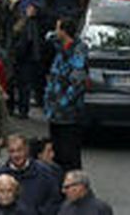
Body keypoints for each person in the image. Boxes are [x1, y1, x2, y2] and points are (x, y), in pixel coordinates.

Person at [43, 17, 88, 173]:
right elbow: (48, 37)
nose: (55, 32)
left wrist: (64, 102)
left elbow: (78, 83)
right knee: (57, 152)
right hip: (54, 112)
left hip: (68, 114)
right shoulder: (60, 47)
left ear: (64, 31)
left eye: (58, 28)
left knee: (70, 154)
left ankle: (75, 184)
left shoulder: (78, 50)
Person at [0, 134, 60, 215]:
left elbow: (54, 201)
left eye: (19, 150)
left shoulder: (45, 172)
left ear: (27, 149)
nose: (16, 155)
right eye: (12, 151)